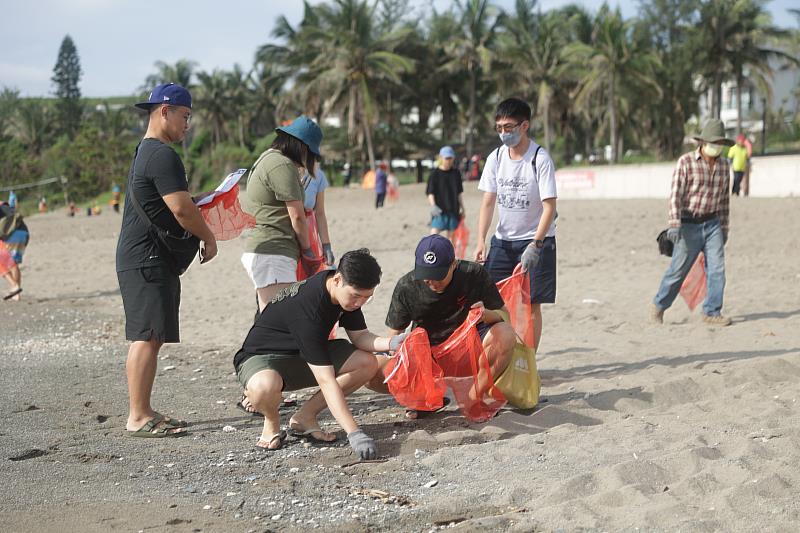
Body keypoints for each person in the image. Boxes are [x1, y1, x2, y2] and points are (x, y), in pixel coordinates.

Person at [116, 83, 218, 438]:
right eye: (185, 116)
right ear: (164, 111)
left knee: (151, 335)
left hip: (143, 256)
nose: (187, 125)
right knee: (146, 336)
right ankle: (138, 416)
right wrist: (208, 235)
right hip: (147, 257)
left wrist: (200, 202)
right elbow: (179, 208)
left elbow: (175, 203)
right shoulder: (161, 154)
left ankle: (142, 410)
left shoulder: (146, 153)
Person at [234, 249, 404, 456]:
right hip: (262, 359)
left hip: (301, 355)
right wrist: (354, 432)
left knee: (367, 362)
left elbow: (360, 337)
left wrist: (393, 342)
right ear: (338, 279)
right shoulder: (309, 310)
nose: (359, 302)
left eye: (366, 298)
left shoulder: (344, 295)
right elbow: (326, 379)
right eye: (356, 296)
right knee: (264, 387)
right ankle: (272, 423)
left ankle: (305, 417)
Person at [370, 234, 516, 418]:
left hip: (467, 352)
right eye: (426, 276)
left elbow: (504, 316)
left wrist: (485, 314)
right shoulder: (407, 286)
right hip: (427, 358)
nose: (432, 282)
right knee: (372, 371)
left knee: (506, 335)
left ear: (453, 264)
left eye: (438, 276)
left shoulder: (474, 274)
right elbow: (393, 337)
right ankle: (425, 398)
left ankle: (474, 395)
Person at [474, 97, 558, 351]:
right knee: (490, 302)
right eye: (499, 128)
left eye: (509, 127)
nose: (503, 133)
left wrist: (536, 244)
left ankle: (528, 359)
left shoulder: (540, 159)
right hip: (502, 242)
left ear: (524, 126)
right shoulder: (496, 158)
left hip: (536, 240)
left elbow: (550, 207)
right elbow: (488, 202)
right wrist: (481, 239)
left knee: (531, 304)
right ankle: (496, 351)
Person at [651, 119, 733, 326]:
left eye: (720, 143)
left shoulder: (725, 167)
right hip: (688, 224)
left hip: (713, 223)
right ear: (703, 142)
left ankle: (712, 312)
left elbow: (724, 201)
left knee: (717, 269)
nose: (716, 146)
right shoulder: (686, 162)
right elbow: (675, 195)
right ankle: (658, 306)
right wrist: (674, 224)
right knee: (678, 271)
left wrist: (724, 228)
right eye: (713, 142)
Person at [241, 116, 324, 314]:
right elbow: (297, 217)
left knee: (270, 318)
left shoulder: (268, 159)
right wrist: (308, 251)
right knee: (279, 321)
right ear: (301, 147)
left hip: (268, 251)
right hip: (273, 251)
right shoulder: (282, 165)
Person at [427, 146, 465, 241]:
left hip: (453, 210)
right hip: (439, 210)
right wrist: (433, 206)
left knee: (451, 239)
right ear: (441, 158)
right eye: (446, 158)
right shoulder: (434, 174)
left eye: (450, 158)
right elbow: (430, 192)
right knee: (433, 236)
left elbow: (459, 193)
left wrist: (462, 208)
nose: (449, 160)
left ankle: (450, 256)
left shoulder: (456, 173)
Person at [302, 162, 336, 266]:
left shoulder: (318, 175)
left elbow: (320, 213)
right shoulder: (282, 171)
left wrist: (327, 247)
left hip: (310, 237)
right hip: (285, 240)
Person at [0, 202, 27, 301]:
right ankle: (16, 292)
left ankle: (14, 287)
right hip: (22, 232)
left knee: (11, 264)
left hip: (13, 235)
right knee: (11, 263)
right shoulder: (4, 206)